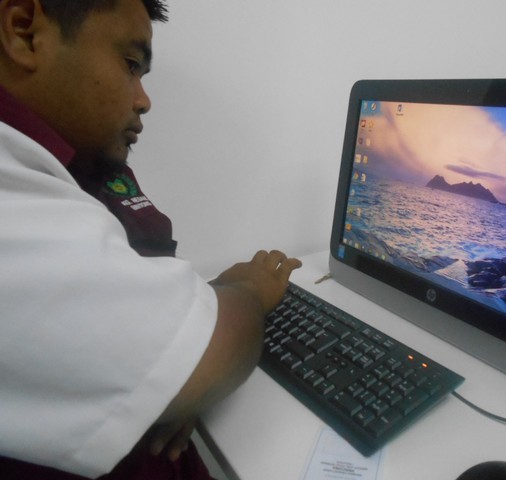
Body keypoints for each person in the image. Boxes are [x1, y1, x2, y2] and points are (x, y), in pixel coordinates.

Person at [0, 0, 301, 478]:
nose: (144, 100)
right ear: (24, 32)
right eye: (130, 64)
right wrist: (250, 288)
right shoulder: (14, 204)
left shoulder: (83, 169)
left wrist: (170, 366)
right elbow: (208, 357)